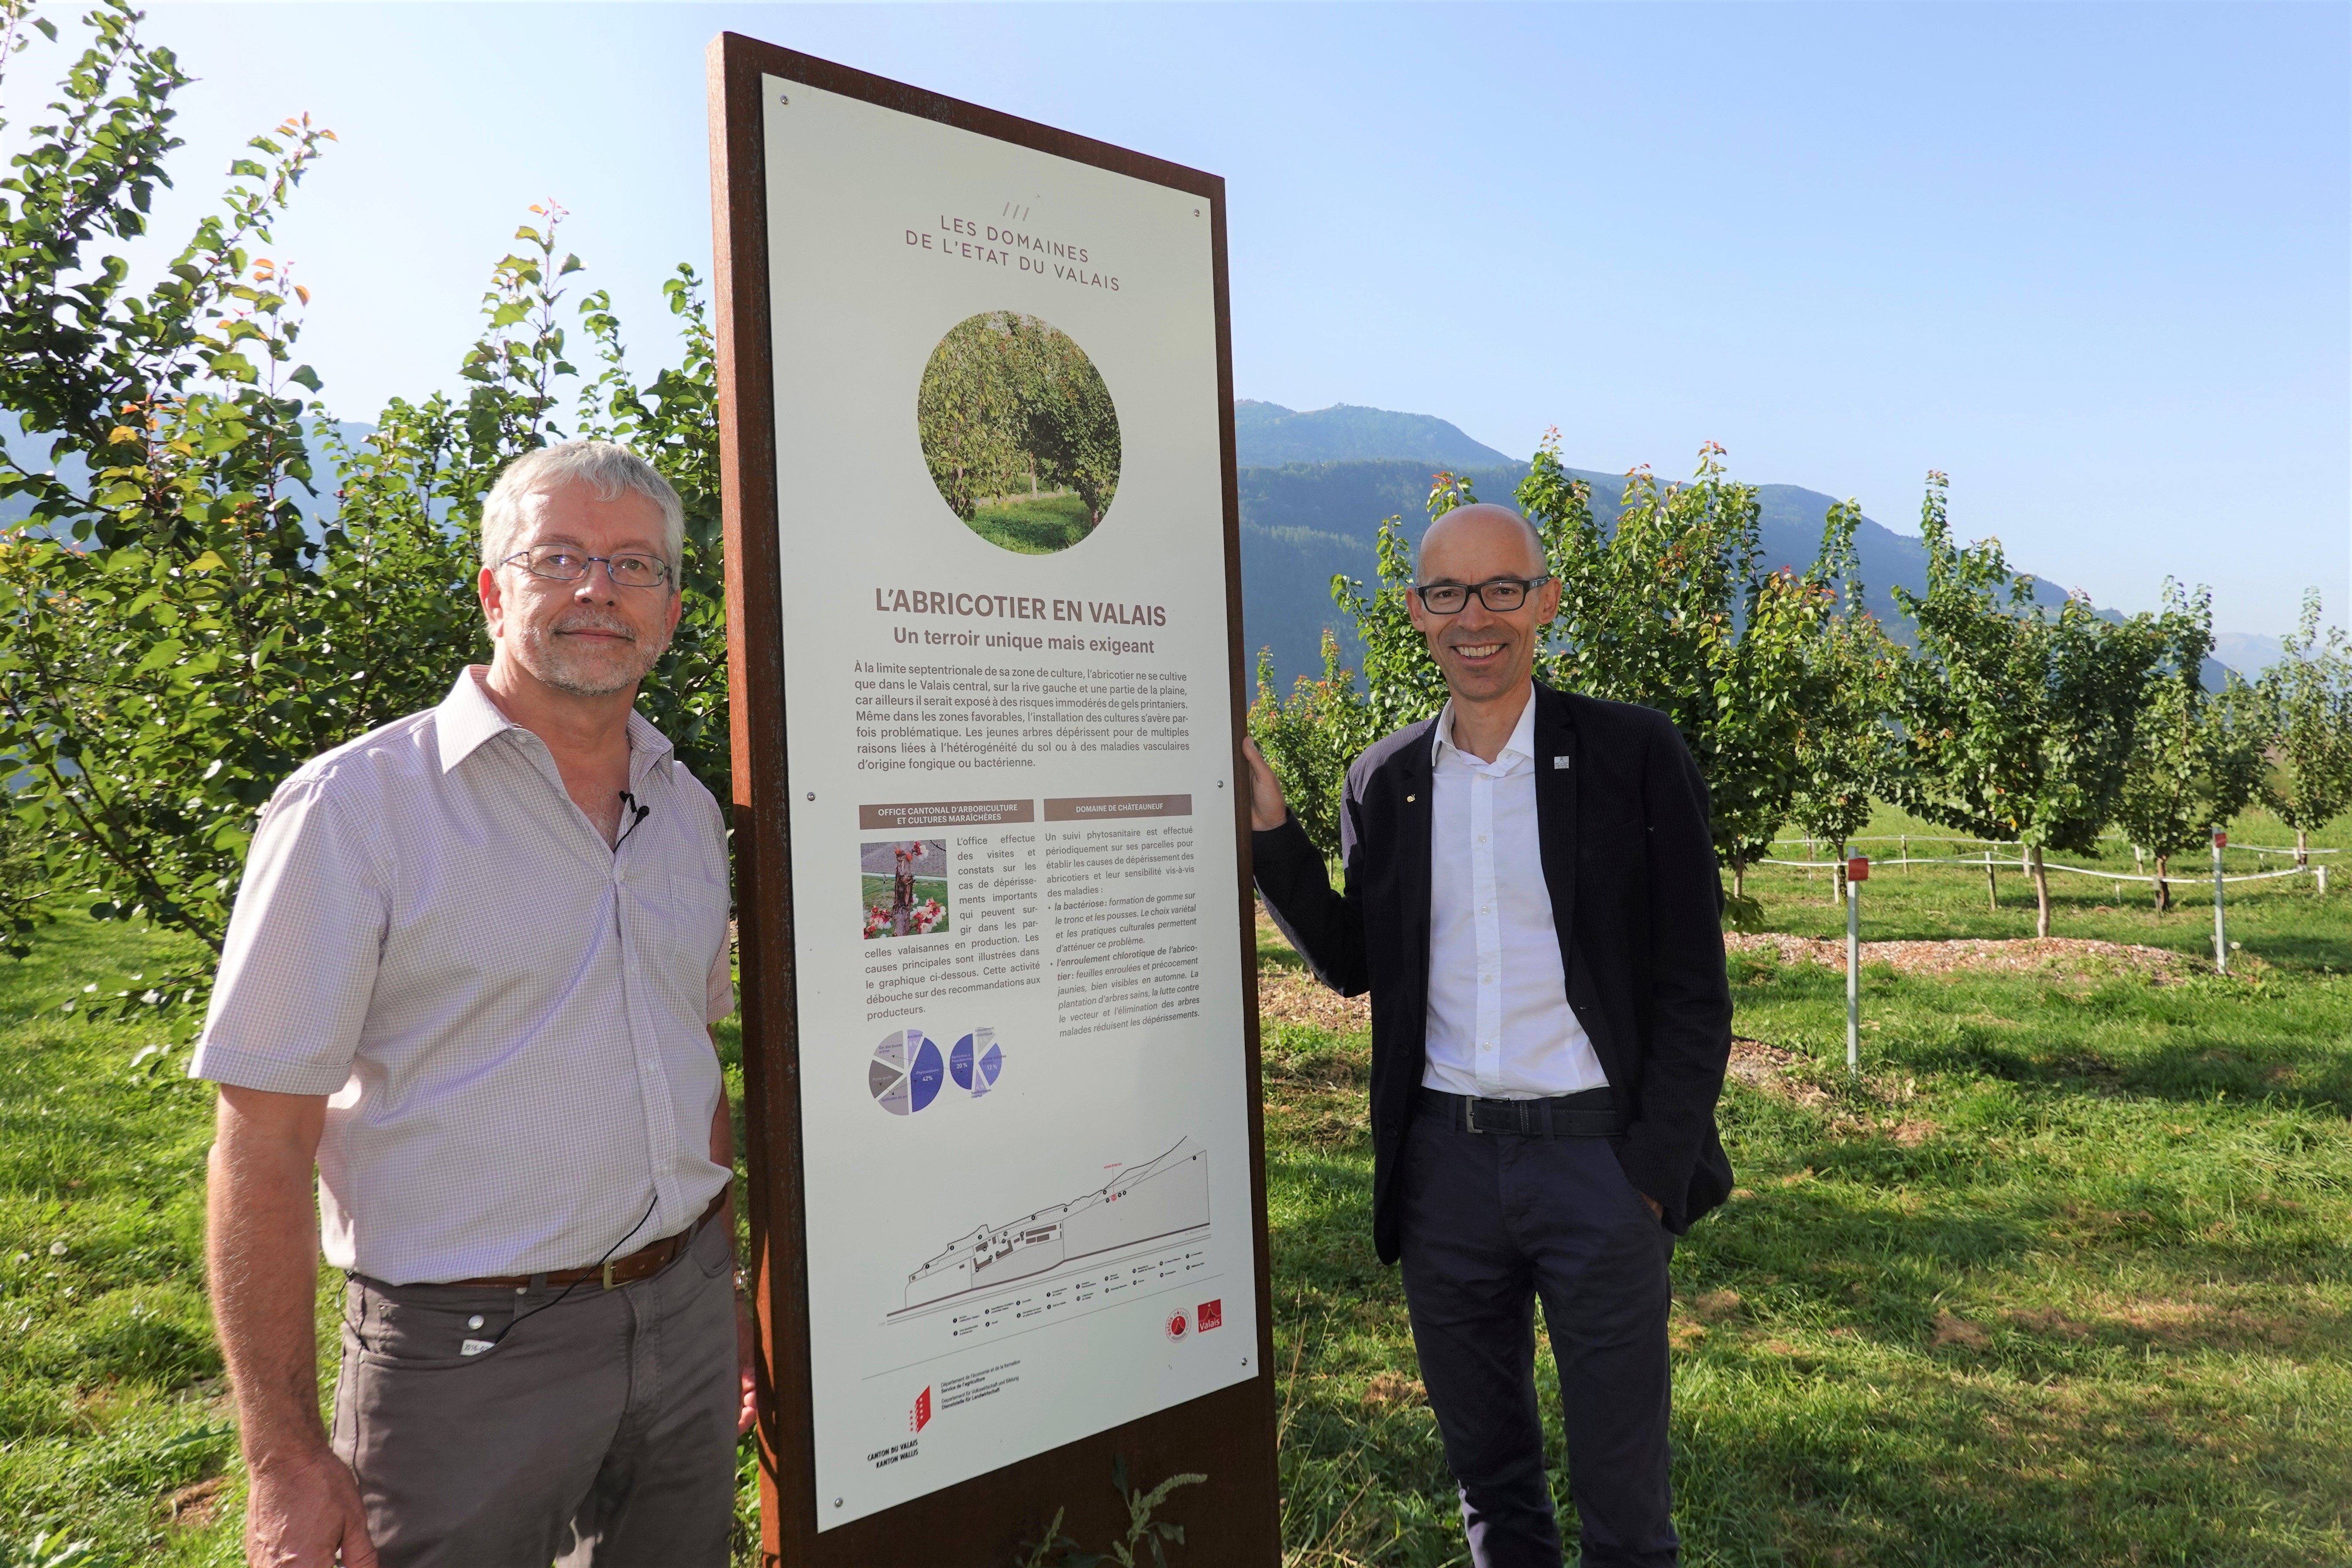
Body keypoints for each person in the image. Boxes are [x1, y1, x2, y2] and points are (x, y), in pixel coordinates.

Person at [194, 441, 752, 1568]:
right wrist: (284, 1460)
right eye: (560, 557)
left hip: (685, 1314)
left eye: (636, 566)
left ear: (675, 612)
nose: (598, 589)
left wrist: (725, 1289)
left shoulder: (687, 812)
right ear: (496, 591)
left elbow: (693, 1059)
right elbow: (261, 1144)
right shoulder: (356, 811)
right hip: (466, 1360)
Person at [1244, 502, 1734, 1568]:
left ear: (1544, 602)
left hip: (1598, 1170)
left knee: (1626, 1510)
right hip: (1448, 1176)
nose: (1478, 617)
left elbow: (1697, 989)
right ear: (1418, 613)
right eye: (1449, 594)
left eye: (1503, 589)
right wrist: (1274, 836)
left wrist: (1649, 1172)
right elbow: (1353, 962)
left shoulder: (1633, 753)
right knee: (1493, 1491)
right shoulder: (1386, 780)